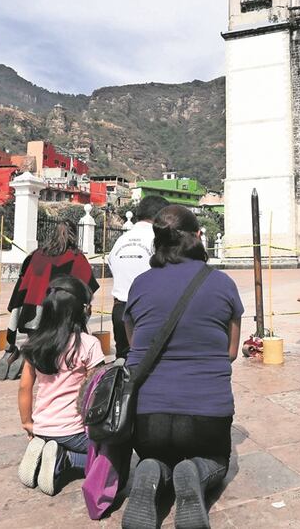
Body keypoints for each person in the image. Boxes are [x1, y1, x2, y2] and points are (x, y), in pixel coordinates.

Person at [121, 205, 243, 529]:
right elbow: (231, 352)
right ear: (197, 238)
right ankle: (199, 471)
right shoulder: (223, 283)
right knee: (219, 459)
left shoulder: (139, 285)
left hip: (148, 420)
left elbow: (135, 347)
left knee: (156, 453)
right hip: (207, 416)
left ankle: (152, 469)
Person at [17, 276, 105, 496]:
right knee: (110, 456)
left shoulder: (33, 344)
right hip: (74, 432)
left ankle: (46, 449)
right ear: (81, 310)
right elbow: (96, 390)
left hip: (41, 426)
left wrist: (28, 422)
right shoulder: (88, 345)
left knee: (55, 439)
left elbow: (24, 388)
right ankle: (64, 459)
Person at [0, 220, 98, 380]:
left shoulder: (37, 255)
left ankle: (28, 352)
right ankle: (36, 354)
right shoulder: (77, 257)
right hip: (60, 313)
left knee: (37, 337)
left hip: (32, 312)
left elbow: (23, 286)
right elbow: (87, 288)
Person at [106, 195, 169, 360]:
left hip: (120, 310)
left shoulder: (120, 241)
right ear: (162, 217)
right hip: (149, 311)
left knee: (125, 362)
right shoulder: (159, 240)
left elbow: (112, 267)